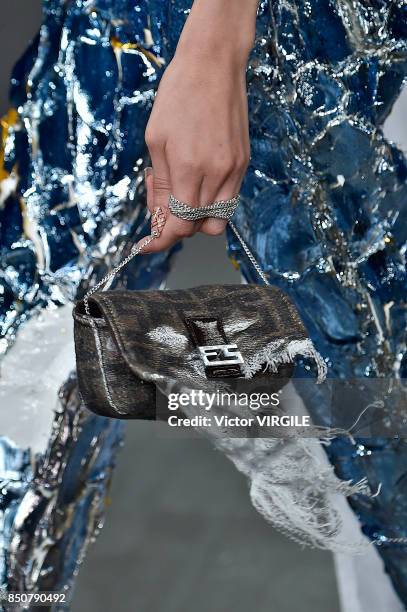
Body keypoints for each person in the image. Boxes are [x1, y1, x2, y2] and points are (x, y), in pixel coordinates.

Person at [0, 0, 406, 608]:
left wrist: (216, 39)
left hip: (272, 31)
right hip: (124, 24)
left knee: (379, 411)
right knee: (21, 385)